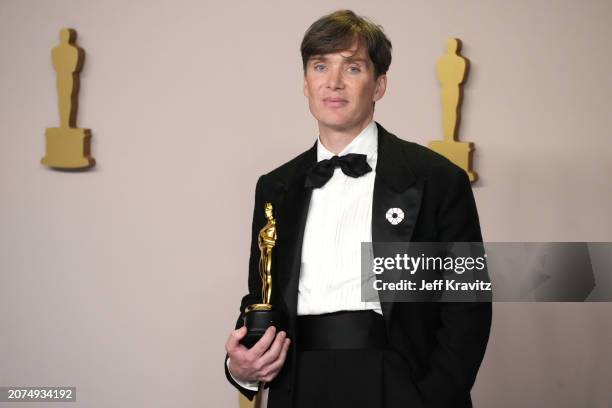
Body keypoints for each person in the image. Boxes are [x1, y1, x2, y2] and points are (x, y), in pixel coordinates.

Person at [224, 9, 491, 408]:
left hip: (398, 384)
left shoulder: (436, 179)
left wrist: (430, 399)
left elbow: (467, 306)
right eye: (320, 66)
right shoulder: (275, 187)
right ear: (305, 82)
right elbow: (260, 296)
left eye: (352, 68)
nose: (333, 83)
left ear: (379, 85)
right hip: (299, 386)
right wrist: (240, 368)